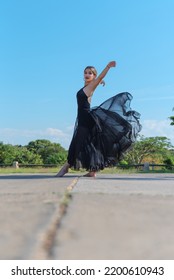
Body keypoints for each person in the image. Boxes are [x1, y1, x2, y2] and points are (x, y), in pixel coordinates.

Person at [56, 61, 141, 177]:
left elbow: (100, 76)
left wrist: (107, 67)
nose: (87, 74)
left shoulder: (91, 86)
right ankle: (92, 171)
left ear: (94, 76)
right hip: (83, 118)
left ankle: (65, 167)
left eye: (90, 73)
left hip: (86, 119)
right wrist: (98, 81)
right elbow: (97, 81)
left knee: (77, 143)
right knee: (91, 144)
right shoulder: (87, 86)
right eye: (85, 72)